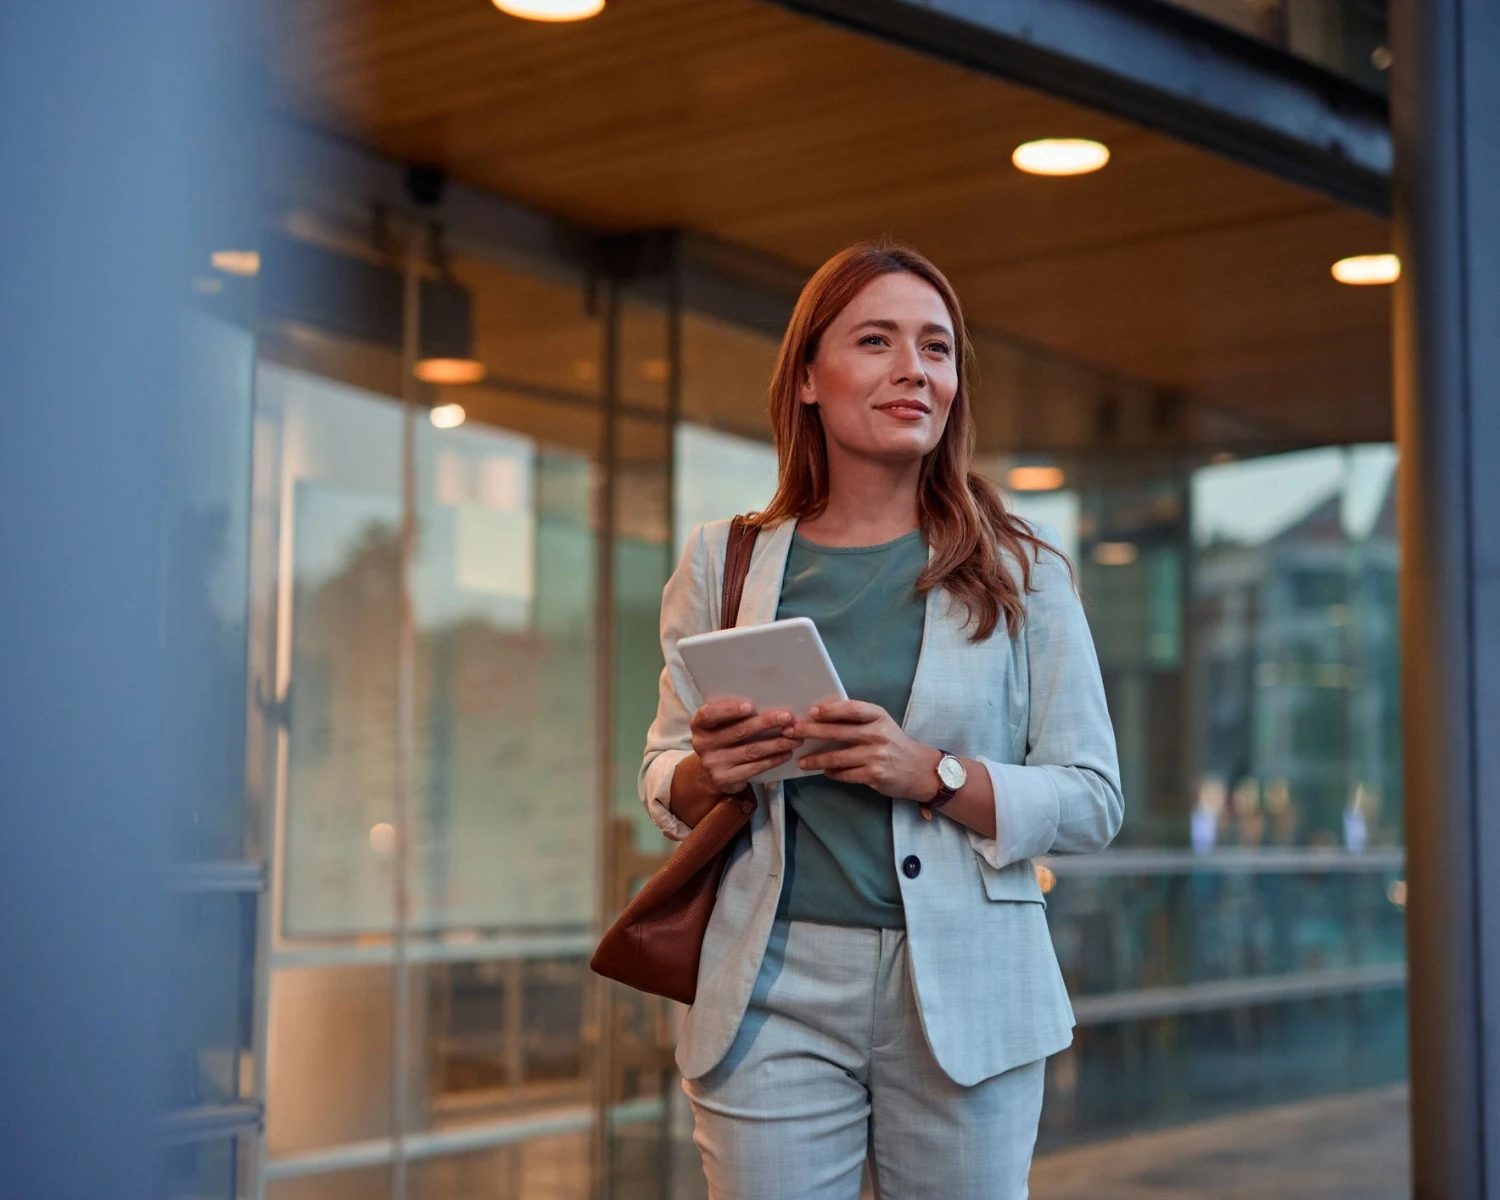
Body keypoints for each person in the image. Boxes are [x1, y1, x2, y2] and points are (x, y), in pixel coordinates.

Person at [639, 241, 1122, 1200]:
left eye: (937, 350)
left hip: (967, 990)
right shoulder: (722, 562)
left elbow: (1094, 800)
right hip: (770, 991)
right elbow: (662, 774)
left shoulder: (1023, 568)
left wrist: (933, 774)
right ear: (809, 377)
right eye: (877, 341)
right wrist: (714, 772)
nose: (916, 370)